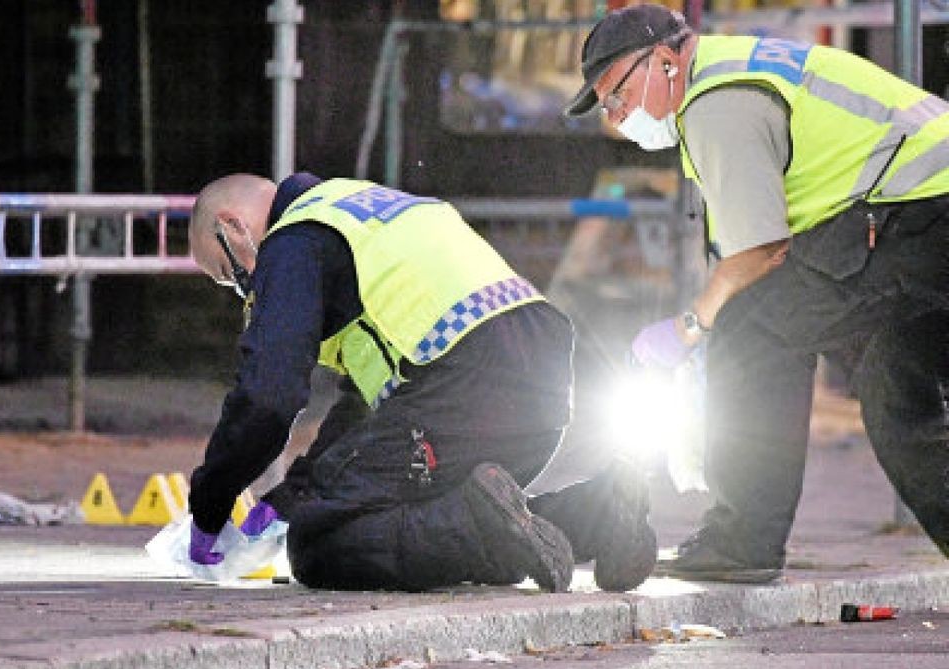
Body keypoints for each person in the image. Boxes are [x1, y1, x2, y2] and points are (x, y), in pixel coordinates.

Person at [566, 3, 949, 582]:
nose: (618, 118)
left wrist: (690, 330)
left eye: (617, 95)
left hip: (918, 212)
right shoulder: (733, 76)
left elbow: (762, 252)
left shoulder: (717, 104)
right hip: (920, 216)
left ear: (666, 61)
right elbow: (746, 252)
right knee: (890, 382)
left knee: (755, 330)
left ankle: (742, 540)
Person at [185, 172, 658, 592]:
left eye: (229, 274)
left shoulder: (293, 239)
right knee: (414, 509)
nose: (244, 290)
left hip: (463, 380)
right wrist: (297, 489)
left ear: (234, 226)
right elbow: (368, 410)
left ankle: (488, 532)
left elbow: (268, 395)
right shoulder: (360, 208)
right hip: (536, 380)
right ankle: (597, 515)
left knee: (320, 542)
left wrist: (210, 505)